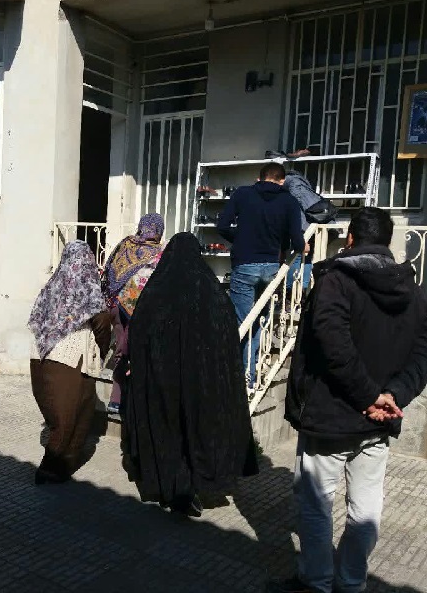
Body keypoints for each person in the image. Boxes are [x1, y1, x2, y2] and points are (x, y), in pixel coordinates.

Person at [271, 208, 427, 593]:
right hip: (377, 420)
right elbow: (425, 355)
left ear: (350, 238)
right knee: (366, 508)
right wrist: (391, 397)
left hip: (332, 419)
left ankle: (316, 581)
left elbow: (333, 346)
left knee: (316, 505)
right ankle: (351, 583)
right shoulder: (410, 289)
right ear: (387, 241)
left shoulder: (336, 280)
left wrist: (374, 397)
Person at [122, 232, 259, 517]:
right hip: (200, 381)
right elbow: (226, 337)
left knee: (167, 428)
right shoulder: (211, 291)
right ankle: (193, 486)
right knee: (193, 427)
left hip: (161, 379)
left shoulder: (155, 290)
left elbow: (138, 331)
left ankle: (174, 488)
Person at [28, 240, 112, 485]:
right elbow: (102, 321)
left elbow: (36, 319)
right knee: (72, 417)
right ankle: (50, 468)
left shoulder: (52, 286)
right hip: (70, 361)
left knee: (64, 414)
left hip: (40, 358)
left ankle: (63, 464)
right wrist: (102, 350)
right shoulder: (87, 287)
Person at [217, 162, 306, 383]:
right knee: (260, 319)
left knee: (243, 320)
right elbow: (297, 241)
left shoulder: (242, 194)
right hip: (271, 267)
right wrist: (300, 246)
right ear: (282, 181)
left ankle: (241, 376)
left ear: (259, 178)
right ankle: (251, 371)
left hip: (244, 265)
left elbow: (222, 226)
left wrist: (241, 239)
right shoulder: (289, 201)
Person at [100, 213, 165, 414]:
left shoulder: (125, 244)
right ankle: (124, 402)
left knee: (121, 348)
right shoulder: (158, 253)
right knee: (132, 352)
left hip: (114, 306)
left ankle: (116, 401)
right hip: (139, 310)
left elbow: (109, 269)